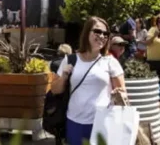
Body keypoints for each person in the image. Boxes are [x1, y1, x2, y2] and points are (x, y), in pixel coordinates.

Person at [50, 17, 126, 145]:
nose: (102, 36)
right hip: (74, 122)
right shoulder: (70, 60)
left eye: (105, 34)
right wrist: (64, 76)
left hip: (102, 122)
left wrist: (118, 94)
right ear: (86, 33)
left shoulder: (110, 62)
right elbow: (55, 89)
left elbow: (123, 93)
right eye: (97, 32)